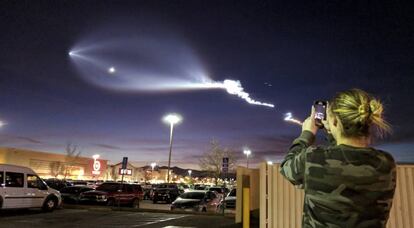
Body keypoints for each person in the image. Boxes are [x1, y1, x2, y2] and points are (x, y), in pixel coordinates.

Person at [280, 89, 396, 228]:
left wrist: (307, 134)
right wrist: (333, 131)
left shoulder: (314, 158)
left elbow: (287, 167)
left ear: (334, 122)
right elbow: (342, 156)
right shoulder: (386, 163)